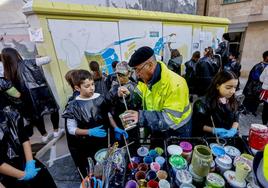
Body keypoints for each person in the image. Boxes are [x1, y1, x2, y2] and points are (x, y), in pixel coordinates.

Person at [62, 69, 128, 178]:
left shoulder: (100, 97)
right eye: (87, 86)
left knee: (110, 164)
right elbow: (71, 129)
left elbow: (108, 114)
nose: (92, 88)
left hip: (106, 139)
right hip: (89, 144)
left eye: (92, 84)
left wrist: (115, 127)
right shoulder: (72, 106)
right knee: (96, 170)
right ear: (77, 88)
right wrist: (89, 131)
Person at [119, 46, 192, 137]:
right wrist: (127, 95)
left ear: (149, 65)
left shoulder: (177, 84)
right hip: (158, 126)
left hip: (177, 130)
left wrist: (141, 117)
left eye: (138, 70)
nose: (137, 75)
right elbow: (138, 95)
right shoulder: (146, 81)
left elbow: (170, 119)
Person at [1, 48, 61, 142]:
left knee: (36, 116)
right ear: (16, 54)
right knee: (53, 109)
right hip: (42, 93)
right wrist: (39, 57)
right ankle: (56, 131)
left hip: (26, 98)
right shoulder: (28, 62)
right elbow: (48, 59)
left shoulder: (7, 72)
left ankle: (44, 135)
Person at [0, 107, 57, 188]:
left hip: (27, 162)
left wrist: (30, 163)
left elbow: (24, 138)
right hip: (9, 175)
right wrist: (23, 175)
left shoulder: (8, 112)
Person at [192, 71, 239, 138]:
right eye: (228, 87)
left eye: (235, 87)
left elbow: (236, 116)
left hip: (228, 139)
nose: (233, 91)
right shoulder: (202, 103)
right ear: (217, 86)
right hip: (210, 139)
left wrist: (233, 129)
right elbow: (197, 125)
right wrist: (213, 130)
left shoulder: (233, 100)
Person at [243, 51, 268, 116]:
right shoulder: (258, 66)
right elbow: (254, 76)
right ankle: (246, 109)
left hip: (261, 88)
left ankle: (253, 110)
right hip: (253, 87)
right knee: (249, 99)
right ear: (266, 57)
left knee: (257, 100)